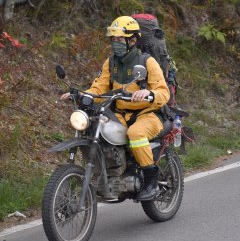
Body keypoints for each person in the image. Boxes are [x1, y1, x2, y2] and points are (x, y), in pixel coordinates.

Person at [61, 16, 170, 201]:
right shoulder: (110, 63)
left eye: (119, 39)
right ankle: (112, 174)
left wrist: (148, 94)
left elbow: (163, 92)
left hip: (148, 114)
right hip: (120, 114)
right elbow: (99, 87)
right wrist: (82, 95)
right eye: (113, 40)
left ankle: (151, 179)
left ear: (132, 40)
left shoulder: (147, 62)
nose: (115, 44)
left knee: (136, 134)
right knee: (96, 127)